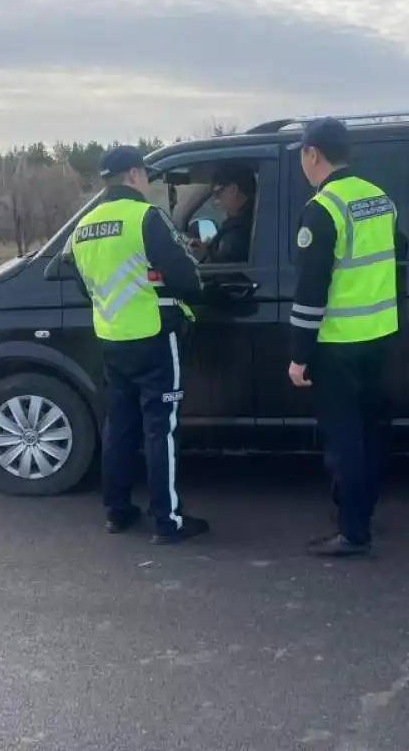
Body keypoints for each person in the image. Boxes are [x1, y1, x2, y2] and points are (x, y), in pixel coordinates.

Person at [68, 146, 210, 544]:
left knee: (119, 427)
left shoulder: (84, 226)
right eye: (144, 175)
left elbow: (85, 285)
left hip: (112, 337)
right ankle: (168, 521)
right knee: (159, 429)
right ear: (134, 175)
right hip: (153, 336)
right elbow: (188, 279)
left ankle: (117, 511)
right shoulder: (145, 217)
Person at [287, 118, 399, 558]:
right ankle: (363, 511)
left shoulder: (324, 209)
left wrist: (299, 356)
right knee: (371, 434)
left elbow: (311, 290)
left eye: (302, 154)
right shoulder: (380, 198)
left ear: (312, 153)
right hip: (379, 337)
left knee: (344, 441)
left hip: (339, 345)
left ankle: (353, 532)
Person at [193, 163, 255, 265]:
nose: (215, 200)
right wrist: (207, 249)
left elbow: (220, 271)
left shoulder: (238, 233)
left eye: (218, 193)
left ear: (233, 190)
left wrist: (204, 255)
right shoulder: (250, 220)